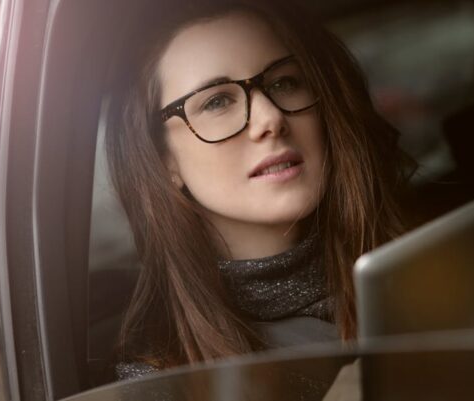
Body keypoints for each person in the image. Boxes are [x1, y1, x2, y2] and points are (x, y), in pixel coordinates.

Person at [106, 0, 415, 380]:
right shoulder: (162, 376)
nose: (271, 118)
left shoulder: (430, 267)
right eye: (217, 101)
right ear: (163, 159)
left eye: (284, 82)